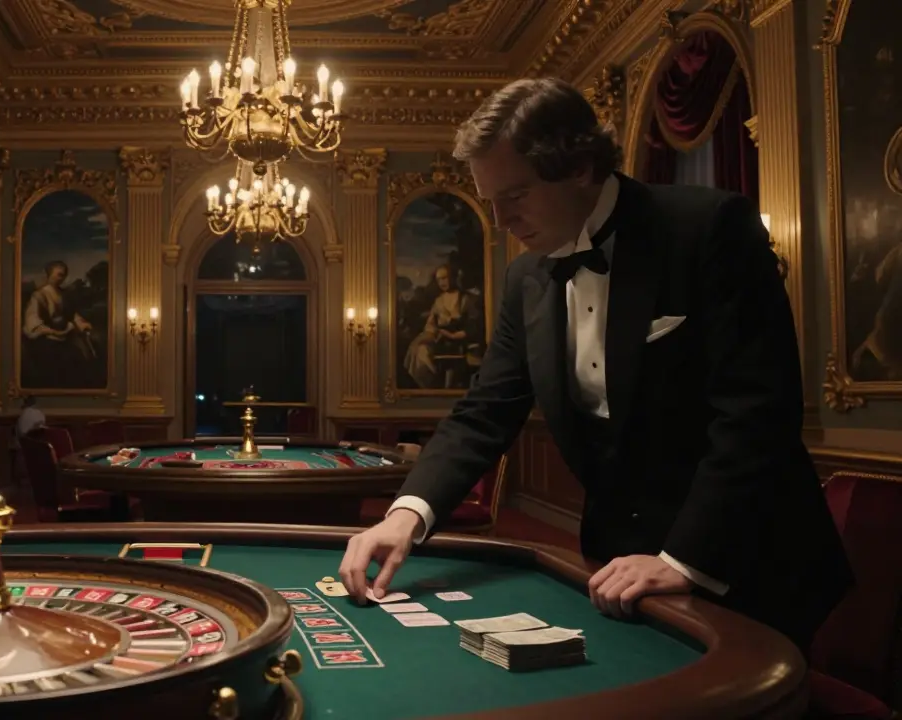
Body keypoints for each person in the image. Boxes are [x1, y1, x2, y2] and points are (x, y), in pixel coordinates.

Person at [339, 77, 852, 654]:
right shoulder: (525, 279)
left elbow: (757, 414)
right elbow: (483, 413)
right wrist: (405, 516)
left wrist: (684, 560)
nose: (500, 219)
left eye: (515, 195)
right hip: (615, 569)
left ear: (581, 167)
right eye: (489, 200)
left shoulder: (709, 228)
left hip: (746, 560)